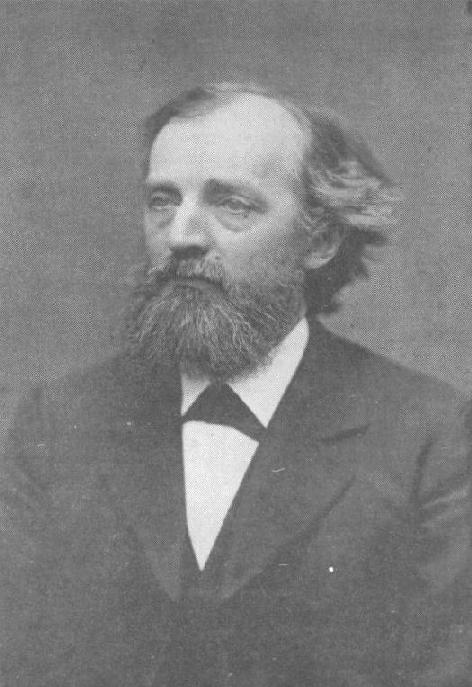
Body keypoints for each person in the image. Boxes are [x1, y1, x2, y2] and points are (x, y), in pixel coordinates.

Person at [1, 82, 471, 687]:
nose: (182, 235)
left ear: (321, 240)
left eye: (233, 205)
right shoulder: (60, 422)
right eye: (163, 201)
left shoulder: (429, 434)